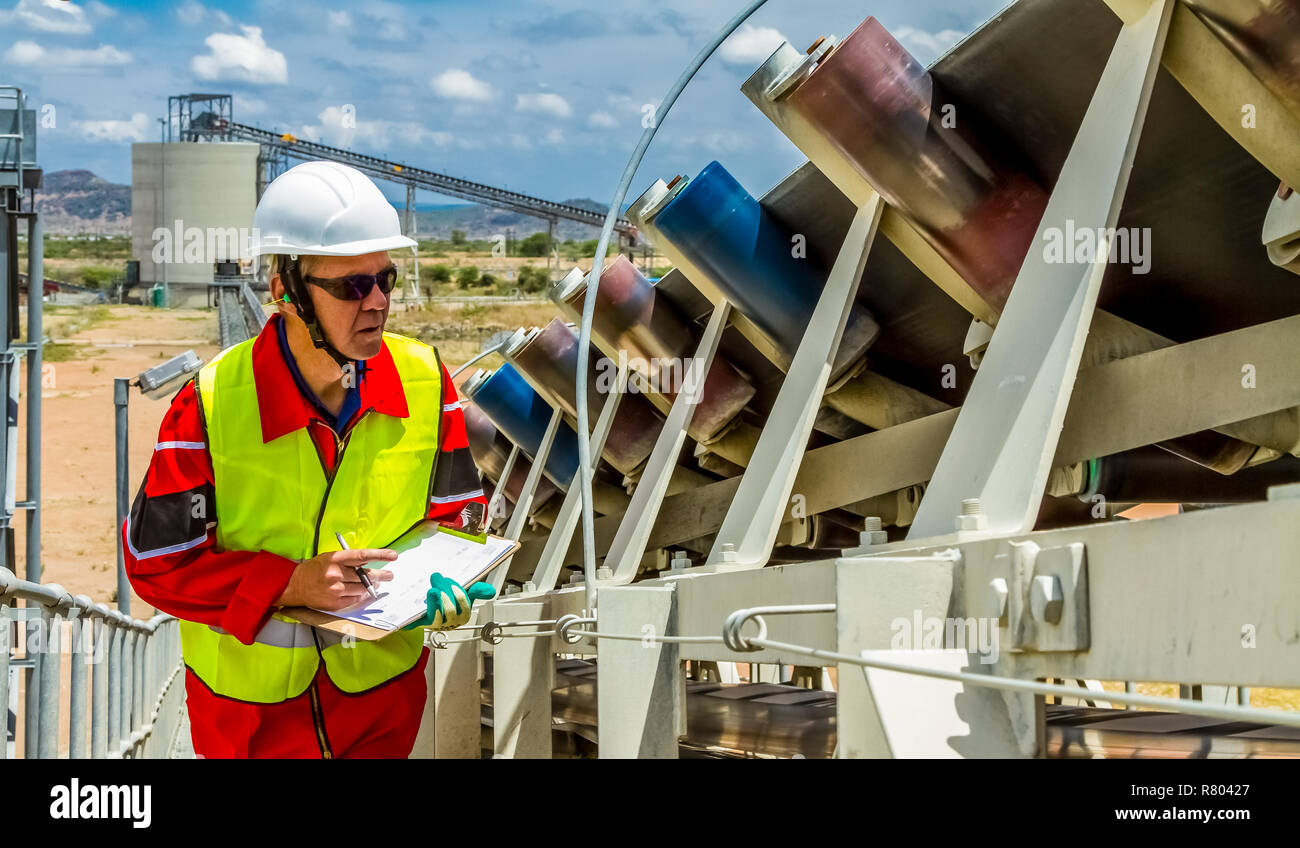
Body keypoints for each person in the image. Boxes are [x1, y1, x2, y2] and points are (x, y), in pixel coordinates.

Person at [124, 160, 494, 758]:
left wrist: (452, 587)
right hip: (250, 721)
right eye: (352, 286)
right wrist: (291, 583)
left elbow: (458, 519)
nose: (377, 303)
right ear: (284, 291)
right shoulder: (213, 404)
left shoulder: (426, 381)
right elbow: (157, 563)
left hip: (379, 709)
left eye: (386, 280)